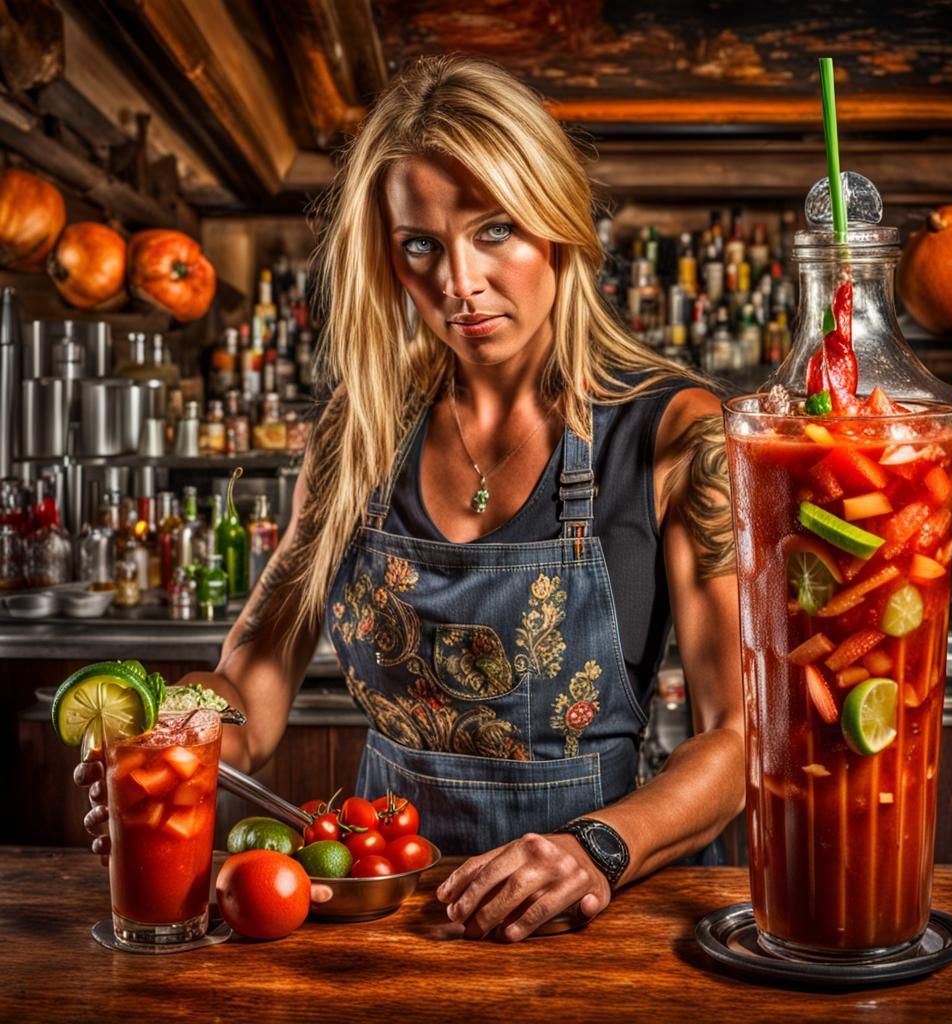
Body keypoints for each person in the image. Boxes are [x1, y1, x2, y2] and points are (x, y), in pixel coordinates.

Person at [76, 55, 744, 942]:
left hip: (596, 913)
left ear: (559, 224)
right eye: (421, 245)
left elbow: (738, 735)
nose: (457, 284)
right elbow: (252, 677)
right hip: (379, 905)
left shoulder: (673, 432)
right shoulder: (361, 434)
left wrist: (597, 850)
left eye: (495, 230)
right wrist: (185, 745)